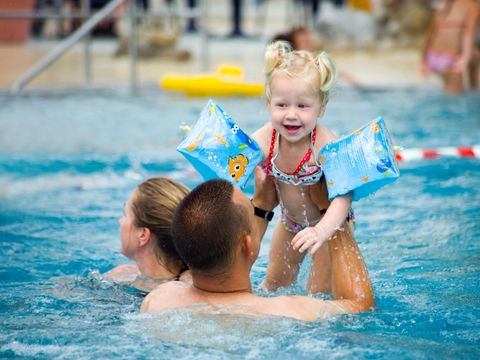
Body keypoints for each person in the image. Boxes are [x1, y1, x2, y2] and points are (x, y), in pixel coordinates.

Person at [141, 173, 374, 321]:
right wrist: (330, 211)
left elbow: (234, 250)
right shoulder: (286, 312)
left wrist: (262, 207)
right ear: (248, 245)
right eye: (251, 210)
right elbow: (360, 308)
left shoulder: (159, 300)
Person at [251, 40, 354, 293]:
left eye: (303, 106)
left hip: (328, 226)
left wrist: (321, 231)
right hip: (289, 223)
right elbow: (237, 159)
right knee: (271, 285)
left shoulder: (323, 144)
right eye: (282, 104)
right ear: (269, 103)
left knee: (317, 294)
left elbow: (344, 195)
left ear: (322, 106)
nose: (291, 114)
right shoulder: (268, 137)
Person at [104, 177, 190, 292]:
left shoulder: (184, 290)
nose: (120, 221)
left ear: (143, 234)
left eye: (125, 214)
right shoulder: (121, 275)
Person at [421, 0, 479, 95]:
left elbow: (430, 34)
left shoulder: (447, 5)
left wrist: (424, 61)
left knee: (476, 57)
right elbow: (469, 34)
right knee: (455, 100)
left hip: (432, 56)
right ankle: (474, 92)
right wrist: (465, 58)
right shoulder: (473, 7)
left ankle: (474, 89)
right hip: (450, 60)